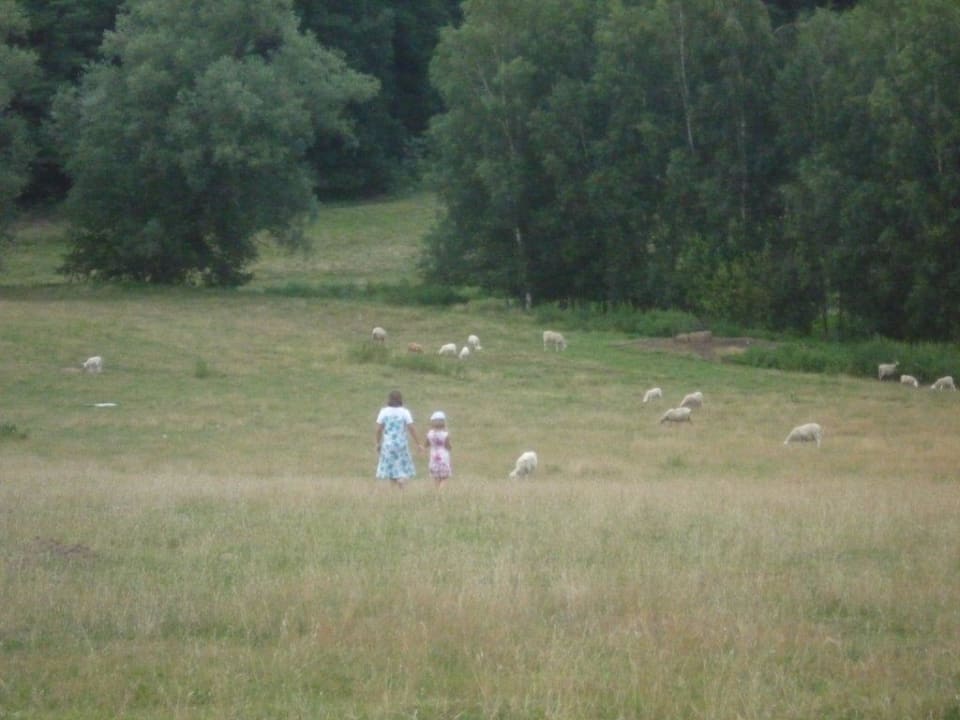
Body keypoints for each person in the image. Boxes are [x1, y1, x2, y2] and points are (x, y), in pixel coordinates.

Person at [375, 390, 420, 488]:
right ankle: (402, 481)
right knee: (403, 467)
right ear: (400, 399)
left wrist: (378, 443)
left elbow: (378, 429)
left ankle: (395, 490)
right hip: (401, 444)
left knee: (391, 469)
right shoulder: (404, 412)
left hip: (388, 444)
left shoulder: (384, 412)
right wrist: (418, 443)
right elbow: (411, 428)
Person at [424, 410, 452, 488]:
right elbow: (448, 446)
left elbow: (426, 444)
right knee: (444, 477)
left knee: (436, 477)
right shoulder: (445, 434)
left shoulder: (430, 433)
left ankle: (436, 491)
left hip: (433, 456)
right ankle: (441, 491)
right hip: (443, 456)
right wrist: (450, 446)